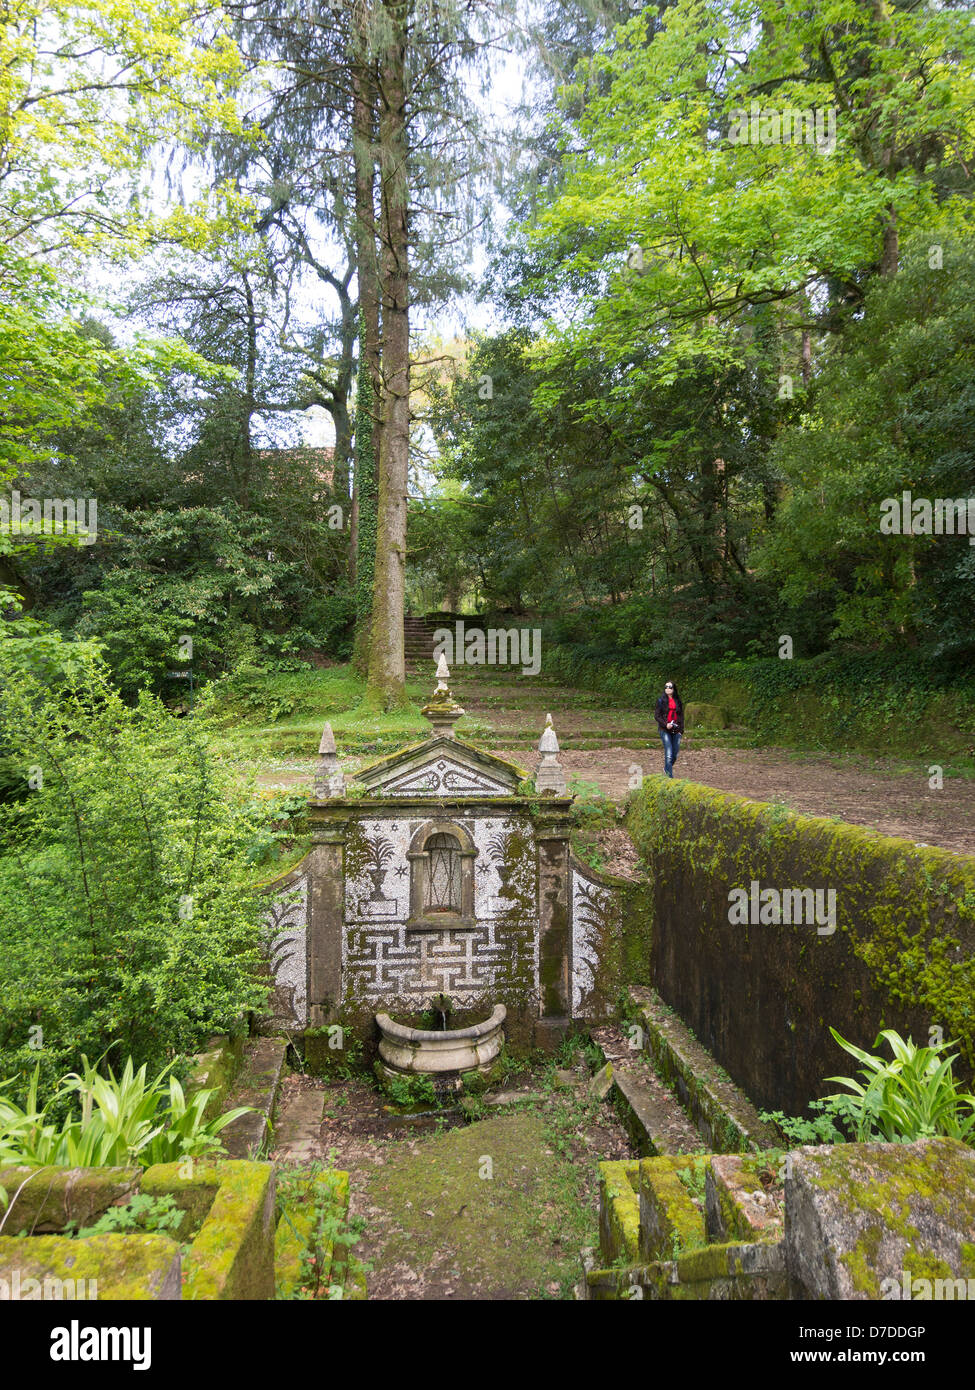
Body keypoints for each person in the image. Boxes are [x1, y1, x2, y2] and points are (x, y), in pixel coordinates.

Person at [654, 680, 684, 778]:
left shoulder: (678, 701)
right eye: (666, 687)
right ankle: (669, 777)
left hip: (676, 730)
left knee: (674, 755)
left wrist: (681, 731)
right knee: (669, 753)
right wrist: (665, 724)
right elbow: (657, 716)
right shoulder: (660, 701)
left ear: (674, 689)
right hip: (665, 729)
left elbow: (681, 716)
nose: (667, 688)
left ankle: (667, 768)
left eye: (670, 687)